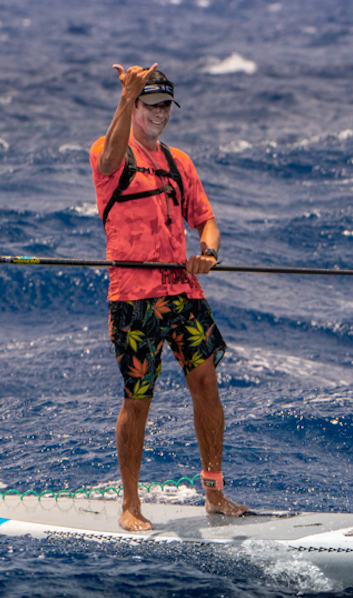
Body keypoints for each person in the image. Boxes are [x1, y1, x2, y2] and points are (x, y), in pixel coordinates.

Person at [90, 62, 247, 531]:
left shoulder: (180, 162)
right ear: (135, 107)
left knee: (206, 385)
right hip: (134, 297)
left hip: (182, 291)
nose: (160, 114)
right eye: (151, 105)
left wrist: (208, 252)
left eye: (165, 106)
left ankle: (215, 493)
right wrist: (124, 96)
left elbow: (207, 222)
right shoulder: (111, 152)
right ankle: (131, 505)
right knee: (139, 398)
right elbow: (108, 160)